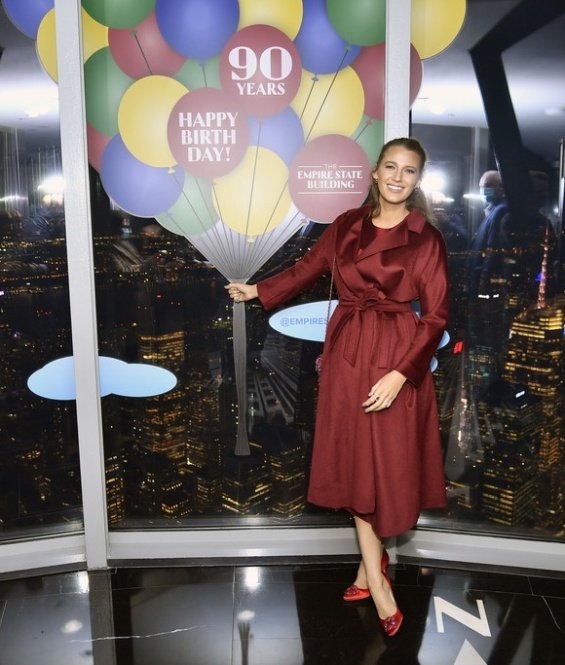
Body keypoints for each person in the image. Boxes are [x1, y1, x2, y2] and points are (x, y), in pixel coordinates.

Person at [226, 137, 449, 637]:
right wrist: (260, 290)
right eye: (390, 166)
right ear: (375, 172)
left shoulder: (425, 239)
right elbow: (308, 269)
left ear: (417, 180)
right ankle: (374, 573)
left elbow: (435, 318)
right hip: (348, 354)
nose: (397, 177)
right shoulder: (347, 224)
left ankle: (373, 574)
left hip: (397, 357)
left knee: (385, 468)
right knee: (355, 464)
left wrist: (400, 374)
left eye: (409, 171)